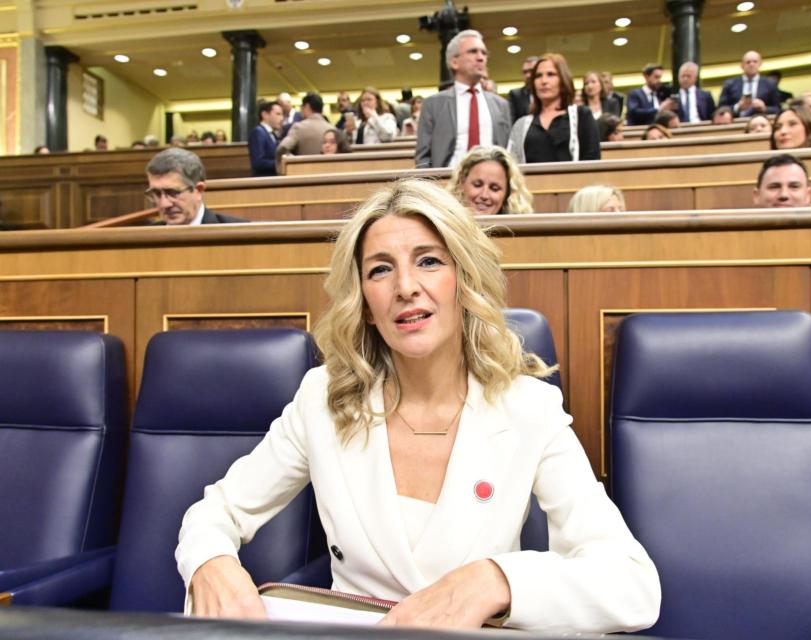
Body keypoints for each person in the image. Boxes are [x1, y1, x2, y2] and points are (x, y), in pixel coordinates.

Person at [175, 177, 661, 631]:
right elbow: (216, 510)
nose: (406, 286)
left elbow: (632, 583)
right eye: (381, 269)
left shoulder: (529, 408)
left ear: (462, 281)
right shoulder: (322, 399)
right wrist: (210, 561)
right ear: (364, 302)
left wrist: (496, 580)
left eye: (429, 261)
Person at [415, 29, 512, 168]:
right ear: (454, 62)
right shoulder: (433, 104)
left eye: (484, 53)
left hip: (491, 183)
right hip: (447, 183)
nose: (481, 57)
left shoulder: (501, 105)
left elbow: (508, 152)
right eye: (473, 51)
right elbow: (423, 157)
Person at [508, 53, 600, 164]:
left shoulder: (582, 115)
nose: (543, 81)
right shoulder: (521, 125)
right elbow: (512, 168)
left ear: (562, 80)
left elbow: (592, 162)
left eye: (550, 74)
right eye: (538, 76)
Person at [145, 148, 247, 225]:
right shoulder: (144, 240)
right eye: (157, 194)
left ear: (199, 190)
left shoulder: (241, 235)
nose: (164, 204)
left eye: (173, 193)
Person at [447, 145, 534, 215]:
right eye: (477, 185)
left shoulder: (521, 234)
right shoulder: (442, 229)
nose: (484, 195)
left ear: (508, 194)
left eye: (494, 188)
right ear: (462, 183)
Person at [717, 50, 780, 117]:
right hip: (737, 123)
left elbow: (778, 109)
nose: (751, 64)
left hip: (760, 121)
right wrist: (738, 107)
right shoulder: (730, 84)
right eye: (748, 62)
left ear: (760, 64)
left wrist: (764, 108)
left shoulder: (770, 84)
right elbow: (720, 110)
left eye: (755, 61)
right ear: (741, 65)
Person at [277, 92, 329, 158]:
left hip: (303, 167)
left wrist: (293, 161)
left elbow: (282, 149)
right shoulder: (332, 129)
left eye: (302, 107)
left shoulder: (299, 128)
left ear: (307, 106)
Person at [248, 100, 285, 177]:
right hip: (263, 182)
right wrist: (280, 163)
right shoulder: (258, 132)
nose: (282, 118)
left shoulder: (272, 134)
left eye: (282, 114)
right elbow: (258, 162)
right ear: (265, 115)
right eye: (278, 114)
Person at [508, 56, 538, 122]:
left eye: (531, 71)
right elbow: (511, 121)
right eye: (525, 72)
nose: (528, 75)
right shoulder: (516, 95)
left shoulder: (549, 92)